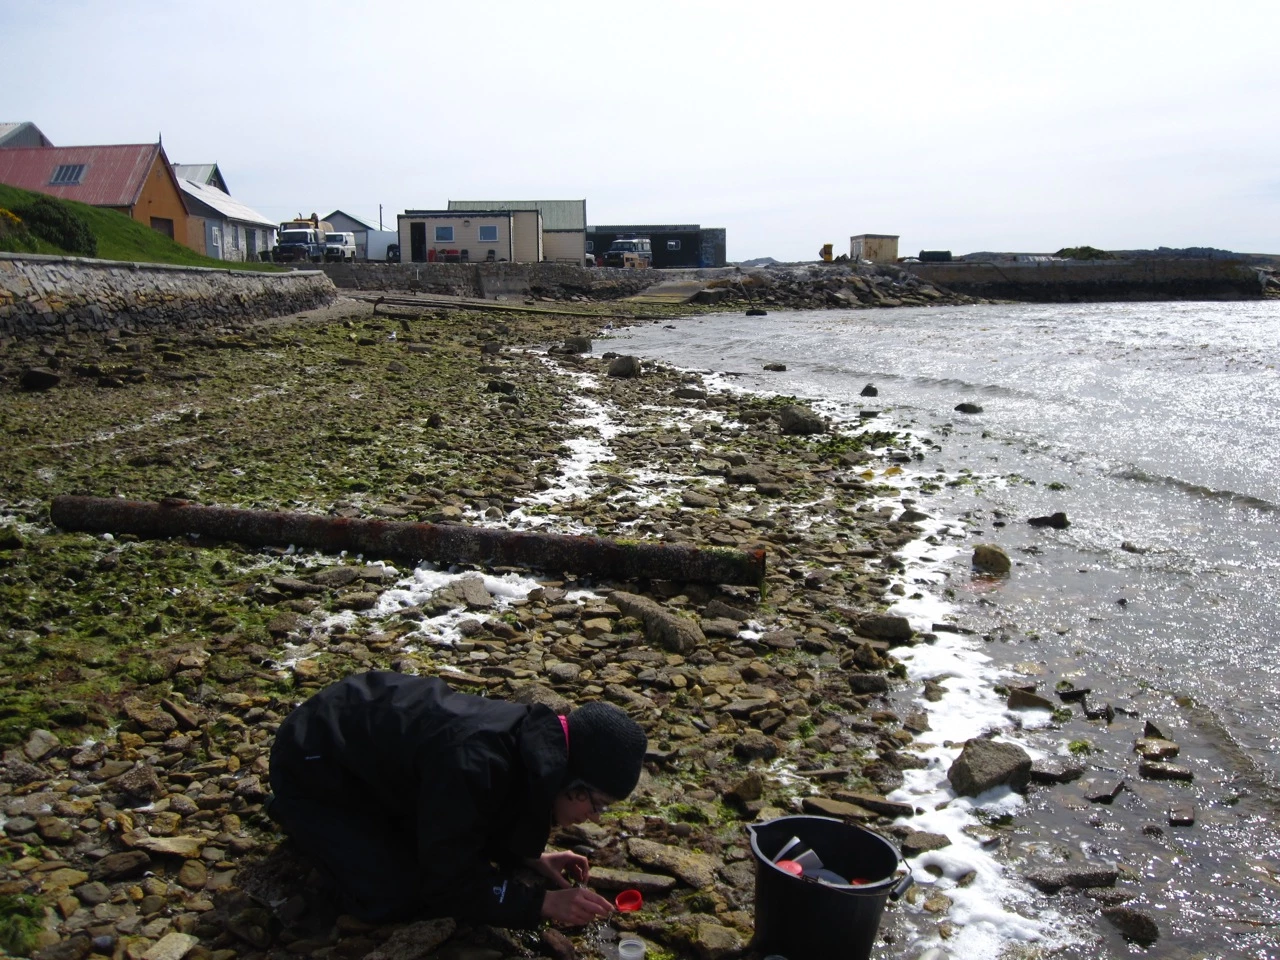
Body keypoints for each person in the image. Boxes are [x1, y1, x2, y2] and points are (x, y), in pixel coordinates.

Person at [267, 670, 647, 928]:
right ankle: (297, 816)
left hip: (364, 748)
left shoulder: (533, 746)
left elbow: (496, 806)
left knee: (444, 843)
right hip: (312, 761)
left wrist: (528, 856)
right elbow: (448, 882)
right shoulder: (474, 762)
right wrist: (541, 904)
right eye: (597, 804)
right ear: (573, 780)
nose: (595, 817)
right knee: (393, 895)